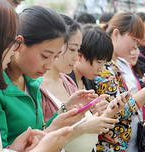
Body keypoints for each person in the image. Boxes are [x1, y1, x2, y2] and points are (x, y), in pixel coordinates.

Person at [0, 5, 81, 148]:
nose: (48, 66)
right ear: (19, 44)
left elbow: (37, 133)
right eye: (45, 56)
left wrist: (64, 110)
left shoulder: (32, 82)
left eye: (55, 57)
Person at [94, 11, 145, 152]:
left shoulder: (122, 63)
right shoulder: (103, 65)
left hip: (133, 143)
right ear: (116, 34)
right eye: (133, 40)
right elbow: (117, 111)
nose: (135, 47)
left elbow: (136, 103)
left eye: (137, 42)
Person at [41, 17, 122, 152]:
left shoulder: (68, 82)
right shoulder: (37, 87)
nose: (75, 57)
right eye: (73, 50)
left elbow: (83, 125)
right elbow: (41, 137)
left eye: (77, 50)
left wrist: (104, 113)